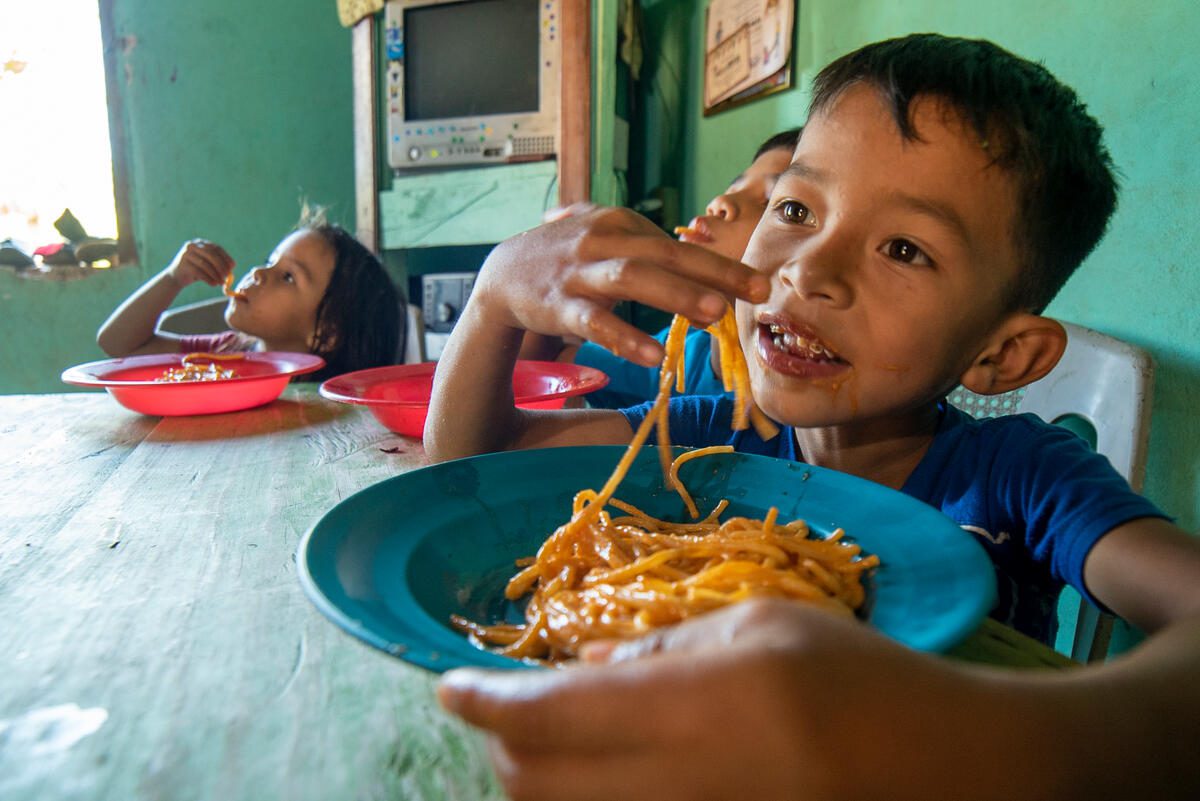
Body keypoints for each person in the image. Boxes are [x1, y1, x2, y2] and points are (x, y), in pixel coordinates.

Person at [427, 33, 1200, 800]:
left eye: (903, 249)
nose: (810, 270)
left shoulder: (1023, 478)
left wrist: (970, 740)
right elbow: (473, 464)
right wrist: (495, 296)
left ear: (1001, 356)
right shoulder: (707, 440)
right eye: (795, 207)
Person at [521, 128, 801, 409]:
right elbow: (554, 363)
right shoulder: (679, 357)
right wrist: (539, 283)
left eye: (772, 202)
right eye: (732, 189)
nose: (720, 203)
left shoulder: (801, 397)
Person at [97, 212, 400, 382]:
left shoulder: (329, 407)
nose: (258, 272)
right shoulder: (223, 354)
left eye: (288, 276)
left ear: (326, 331)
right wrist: (173, 278)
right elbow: (118, 345)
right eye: (270, 261)